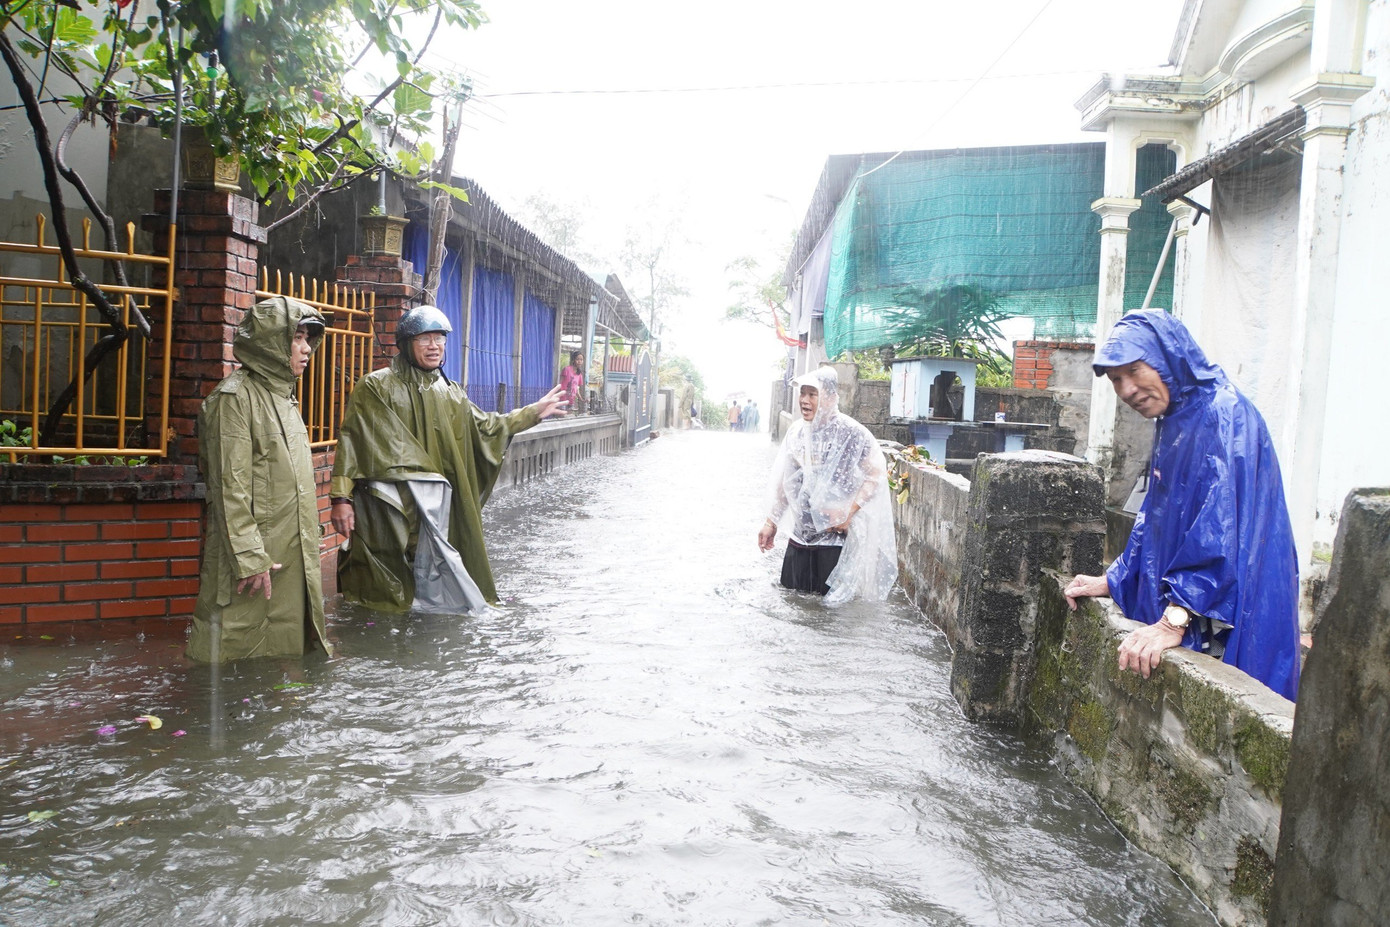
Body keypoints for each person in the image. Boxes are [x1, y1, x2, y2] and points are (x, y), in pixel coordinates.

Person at [1063, 310, 1300, 700]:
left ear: (1168, 359)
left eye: (1134, 370)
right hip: (1203, 603)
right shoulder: (1175, 419)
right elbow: (1154, 517)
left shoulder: (1223, 415)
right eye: (1116, 379)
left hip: (1237, 600)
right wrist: (1117, 577)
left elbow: (1216, 530)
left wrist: (1173, 621)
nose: (1126, 390)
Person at [330, 305, 568, 614]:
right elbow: (352, 440)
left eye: (440, 338)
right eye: (424, 338)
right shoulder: (377, 386)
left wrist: (531, 413)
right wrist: (340, 498)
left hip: (437, 506)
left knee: (433, 582)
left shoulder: (451, 392)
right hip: (390, 506)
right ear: (406, 343)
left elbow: (487, 427)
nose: (434, 346)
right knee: (383, 583)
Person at [189, 296, 331, 662]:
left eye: (308, 339)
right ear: (270, 342)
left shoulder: (285, 399)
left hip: (288, 555)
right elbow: (228, 487)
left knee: (288, 656)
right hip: (252, 563)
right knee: (233, 658)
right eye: (296, 338)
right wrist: (251, 557)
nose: (306, 349)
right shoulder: (234, 400)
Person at [757, 366, 896, 606]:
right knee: (793, 605)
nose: (804, 400)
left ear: (831, 397)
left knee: (828, 615)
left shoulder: (852, 433)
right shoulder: (797, 433)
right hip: (800, 538)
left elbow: (875, 475)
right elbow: (786, 482)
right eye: (803, 393)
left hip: (833, 543)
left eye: (813, 394)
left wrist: (848, 512)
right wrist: (772, 522)